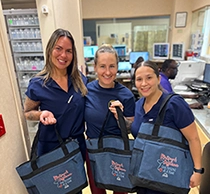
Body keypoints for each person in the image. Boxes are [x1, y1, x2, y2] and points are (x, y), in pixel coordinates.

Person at [131, 61, 203, 194]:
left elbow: (193, 139)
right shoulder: (138, 105)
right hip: (144, 177)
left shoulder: (174, 104)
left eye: (149, 78)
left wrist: (198, 171)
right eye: (139, 79)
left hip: (169, 177)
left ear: (158, 78)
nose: (144, 83)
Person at [24, 28, 87, 161]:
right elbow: (27, 113)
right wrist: (42, 114)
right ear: (50, 50)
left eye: (68, 51)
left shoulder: (79, 80)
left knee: (77, 181)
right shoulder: (37, 84)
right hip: (50, 148)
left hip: (76, 146)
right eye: (58, 48)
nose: (63, 55)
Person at [85, 44, 135, 194]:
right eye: (102, 66)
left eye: (112, 66)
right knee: (97, 191)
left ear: (117, 67)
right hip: (94, 150)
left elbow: (130, 127)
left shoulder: (126, 95)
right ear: (95, 67)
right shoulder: (86, 91)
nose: (107, 72)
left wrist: (119, 117)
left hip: (119, 151)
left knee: (120, 190)